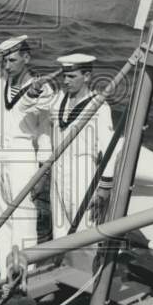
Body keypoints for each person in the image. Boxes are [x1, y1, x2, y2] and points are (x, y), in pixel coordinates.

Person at [0, 36, 55, 278]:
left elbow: (44, 131)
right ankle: (5, 275)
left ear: (26, 58)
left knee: (23, 217)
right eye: (4, 61)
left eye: (12, 60)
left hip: (21, 154)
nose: (7, 66)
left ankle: (25, 275)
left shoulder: (42, 88)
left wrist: (43, 169)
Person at [49, 53, 119, 239]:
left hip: (83, 174)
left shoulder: (99, 107)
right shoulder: (58, 100)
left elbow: (109, 149)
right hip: (58, 173)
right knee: (59, 232)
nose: (66, 81)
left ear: (87, 76)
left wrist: (104, 188)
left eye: (72, 76)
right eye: (64, 76)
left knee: (84, 234)